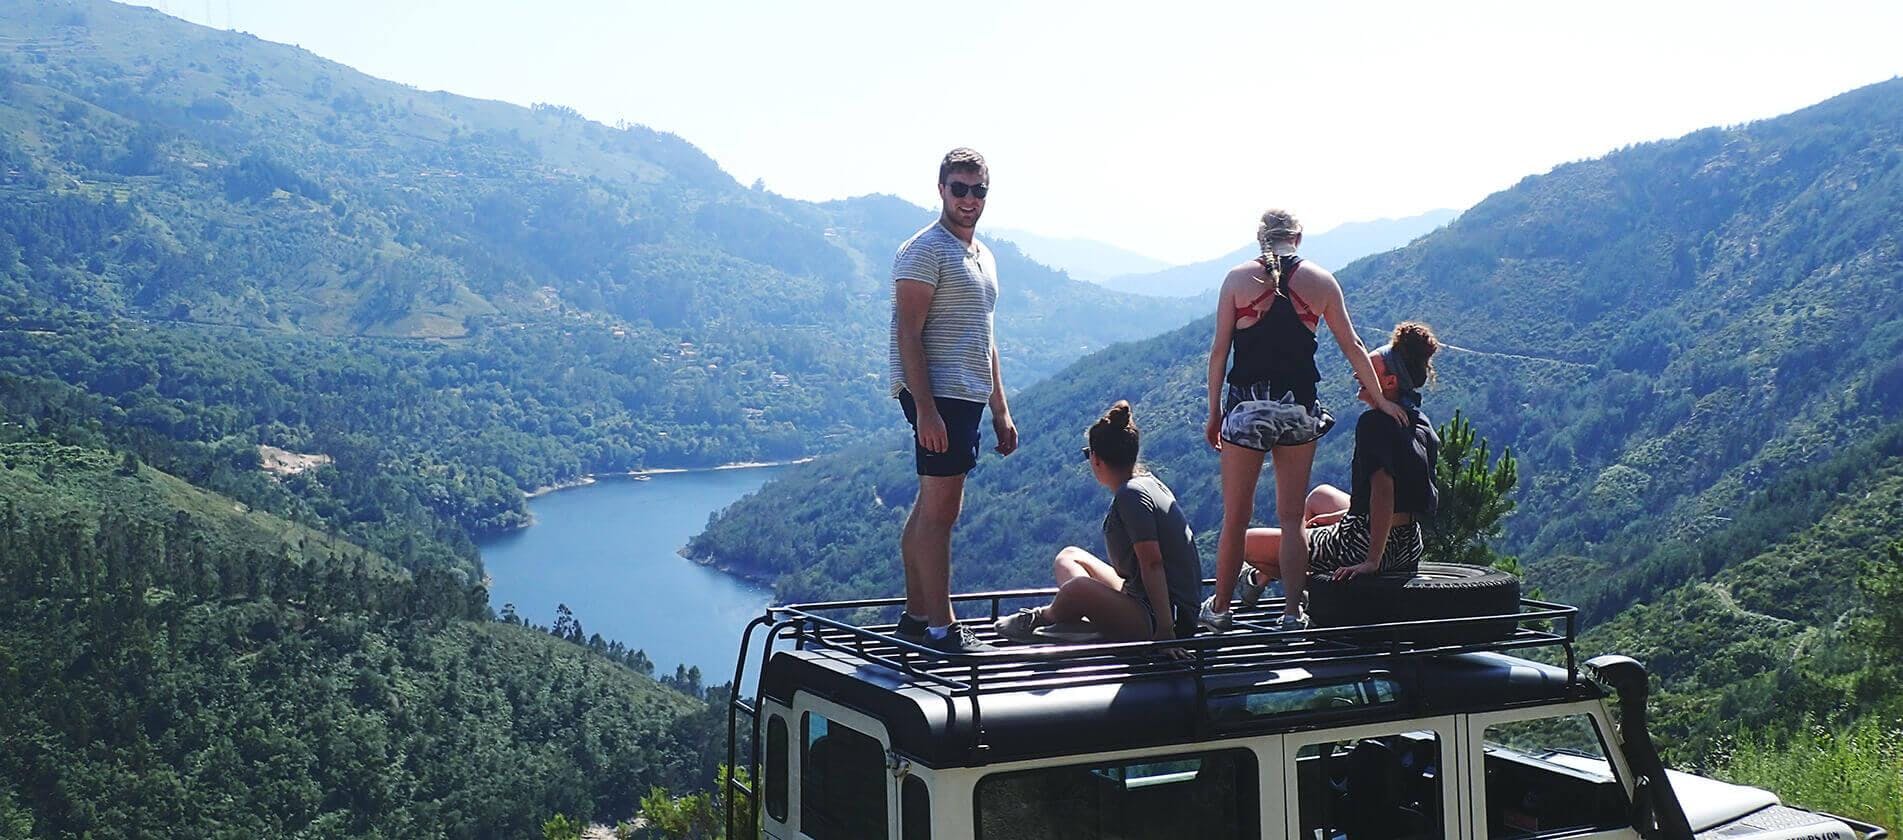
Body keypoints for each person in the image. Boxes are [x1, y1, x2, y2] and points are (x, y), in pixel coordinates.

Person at [1201, 209, 1408, 632]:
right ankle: (1293, 614)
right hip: (1300, 410)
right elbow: (1351, 344)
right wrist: (1384, 403)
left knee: (1235, 518)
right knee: (1291, 518)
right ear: (1299, 237)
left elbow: (1220, 352)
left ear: (1260, 237)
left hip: (1247, 408)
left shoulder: (1237, 280)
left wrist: (1214, 412)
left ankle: (1220, 611)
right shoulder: (1321, 282)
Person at [889, 147, 1018, 654]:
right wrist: (925, 409)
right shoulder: (924, 250)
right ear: (940, 188)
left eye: (978, 189)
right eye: (959, 188)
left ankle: (917, 618)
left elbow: (985, 336)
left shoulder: (983, 255)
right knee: (943, 514)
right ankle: (944, 630)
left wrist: (1000, 408)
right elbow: (908, 334)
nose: (969, 199)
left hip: (966, 394)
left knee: (929, 508)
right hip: (937, 394)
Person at [1237, 322, 1443, 603]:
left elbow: (1384, 490)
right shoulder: (1420, 422)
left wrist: (1372, 560)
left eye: (1367, 372)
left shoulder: (1374, 423)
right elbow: (1406, 494)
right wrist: (1340, 517)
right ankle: (1271, 574)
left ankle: (1301, 586)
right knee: (1320, 495)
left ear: (1390, 382)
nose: (1358, 374)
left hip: (1363, 543)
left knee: (1245, 543)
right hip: (1408, 542)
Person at [994, 401, 1200, 646]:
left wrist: (1166, 633)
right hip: (1150, 600)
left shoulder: (1131, 496)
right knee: (1069, 557)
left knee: (1077, 588)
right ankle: (1085, 627)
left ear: (1096, 459)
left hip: (1163, 617)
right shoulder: (1146, 483)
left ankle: (1041, 619)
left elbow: (1152, 563)